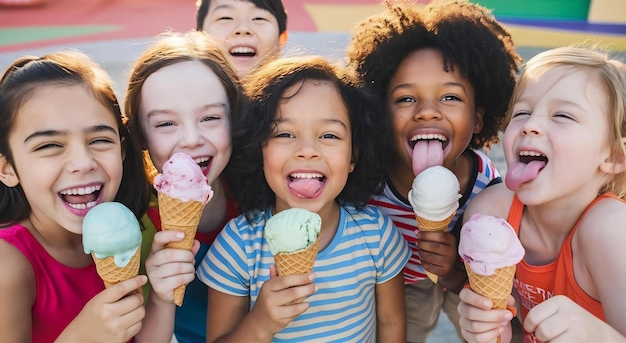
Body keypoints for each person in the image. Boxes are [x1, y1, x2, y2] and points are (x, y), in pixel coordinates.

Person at [345, 0, 522, 341]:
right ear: (380, 113)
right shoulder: (367, 180)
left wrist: (453, 272)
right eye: (406, 98)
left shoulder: (487, 185)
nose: (427, 111)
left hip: (463, 282)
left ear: (477, 120)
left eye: (451, 97)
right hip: (399, 287)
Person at [196, 55, 411, 342]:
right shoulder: (238, 247)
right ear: (260, 149)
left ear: (353, 156)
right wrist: (260, 324)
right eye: (285, 133)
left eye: (329, 135)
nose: (307, 150)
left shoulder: (376, 234)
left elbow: (392, 324)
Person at [0, 51, 197, 342]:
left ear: (122, 149)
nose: (83, 162)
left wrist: (161, 296)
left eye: (99, 140)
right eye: (50, 145)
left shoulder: (126, 234)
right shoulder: (9, 265)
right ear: (6, 168)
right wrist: (81, 337)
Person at [457, 46, 626, 343]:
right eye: (522, 112)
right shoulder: (490, 215)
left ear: (613, 156)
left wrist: (601, 336)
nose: (531, 125)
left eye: (562, 115)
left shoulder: (613, 231)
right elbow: (509, 323)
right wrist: (485, 326)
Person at [125, 30, 242, 343]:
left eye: (211, 117)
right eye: (166, 123)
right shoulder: (132, 224)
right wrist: (161, 295)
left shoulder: (259, 199)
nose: (191, 138)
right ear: (140, 136)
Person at [195, 0, 288, 77]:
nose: (242, 29)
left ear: (281, 39)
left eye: (258, 18)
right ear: (199, 38)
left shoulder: (298, 92)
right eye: (226, 18)